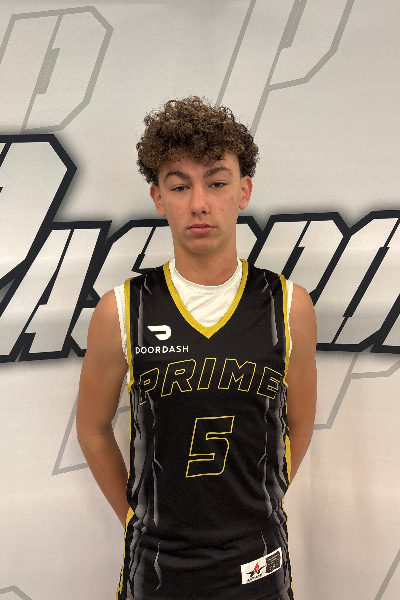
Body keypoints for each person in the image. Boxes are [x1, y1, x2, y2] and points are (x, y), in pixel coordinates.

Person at [76, 96, 317, 600]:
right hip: (158, 565)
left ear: (244, 190)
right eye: (180, 185)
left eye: (217, 182)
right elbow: (93, 428)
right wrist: (137, 516)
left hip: (258, 561)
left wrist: (258, 506)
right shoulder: (121, 310)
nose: (199, 203)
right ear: (158, 197)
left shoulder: (288, 306)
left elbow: (298, 424)